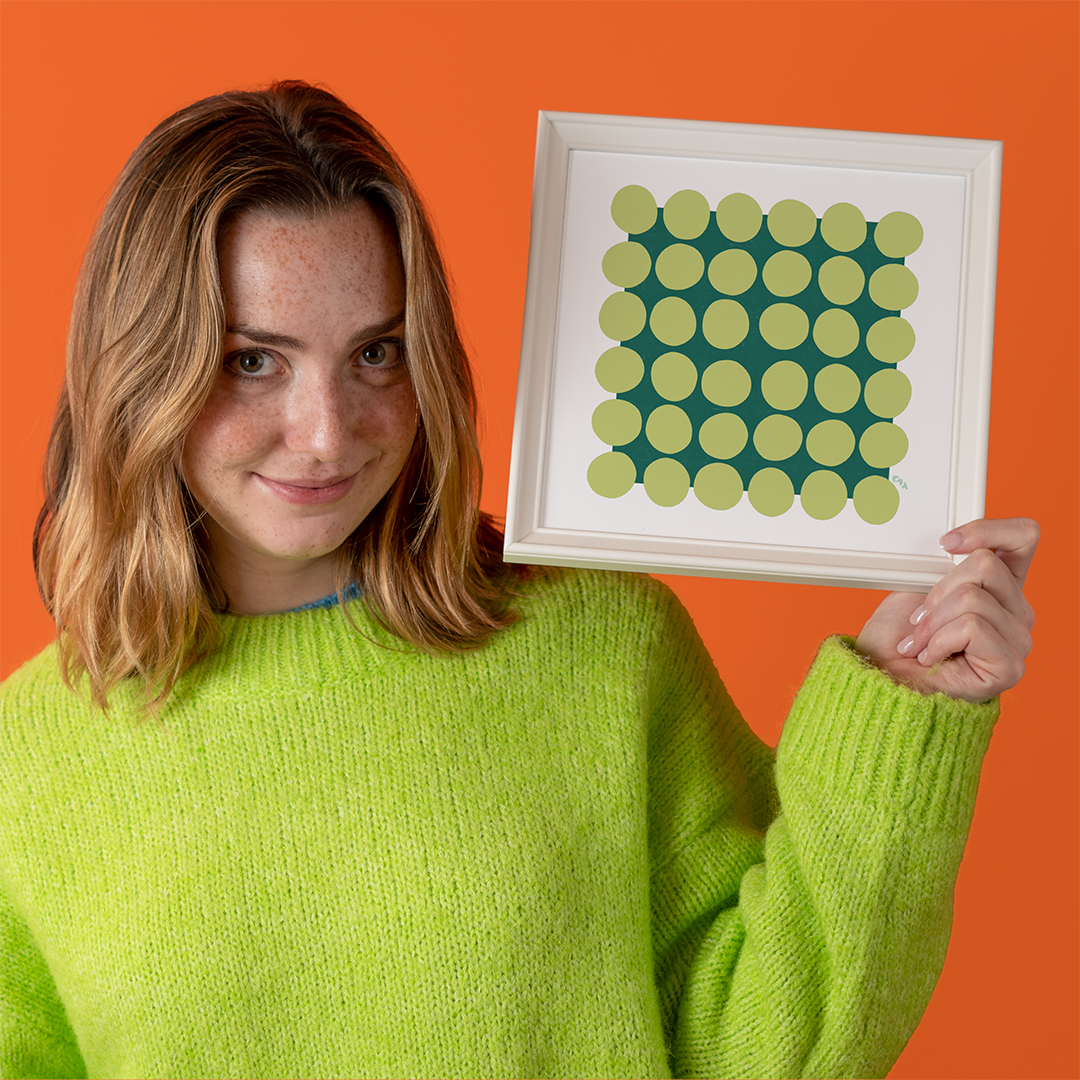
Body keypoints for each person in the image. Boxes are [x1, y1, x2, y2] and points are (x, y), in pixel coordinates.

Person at [0, 81, 1037, 1080]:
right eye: (252, 360)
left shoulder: (601, 643)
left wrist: (904, 712)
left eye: (378, 353)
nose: (328, 434)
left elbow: (766, 1048)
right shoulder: (24, 762)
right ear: (138, 368)